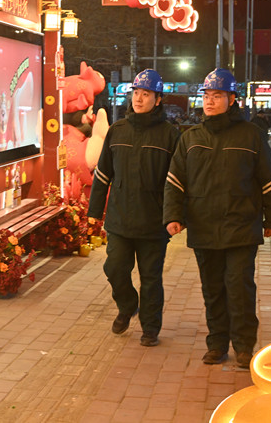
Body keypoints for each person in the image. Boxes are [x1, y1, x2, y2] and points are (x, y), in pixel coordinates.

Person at [163, 68, 271, 368]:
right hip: (204, 226)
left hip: (242, 225)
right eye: (207, 95)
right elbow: (175, 181)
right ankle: (217, 343)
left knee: (239, 287)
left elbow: (270, 181)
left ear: (232, 99)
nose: (210, 101)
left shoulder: (251, 136)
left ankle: (244, 345)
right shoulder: (190, 137)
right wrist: (173, 216)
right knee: (213, 288)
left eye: (217, 95)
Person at [88, 69, 180, 347]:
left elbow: (176, 181)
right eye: (136, 93)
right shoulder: (118, 130)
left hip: (154, 223)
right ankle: (127, 305)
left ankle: (151, 328)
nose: (139, 99)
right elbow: (103, 174)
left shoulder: (170, 135)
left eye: (146, 94)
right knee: (114, 268)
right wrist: (94, 213)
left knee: (151, 278)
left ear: (158, 99)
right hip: (120, 219)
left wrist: (175, 216)